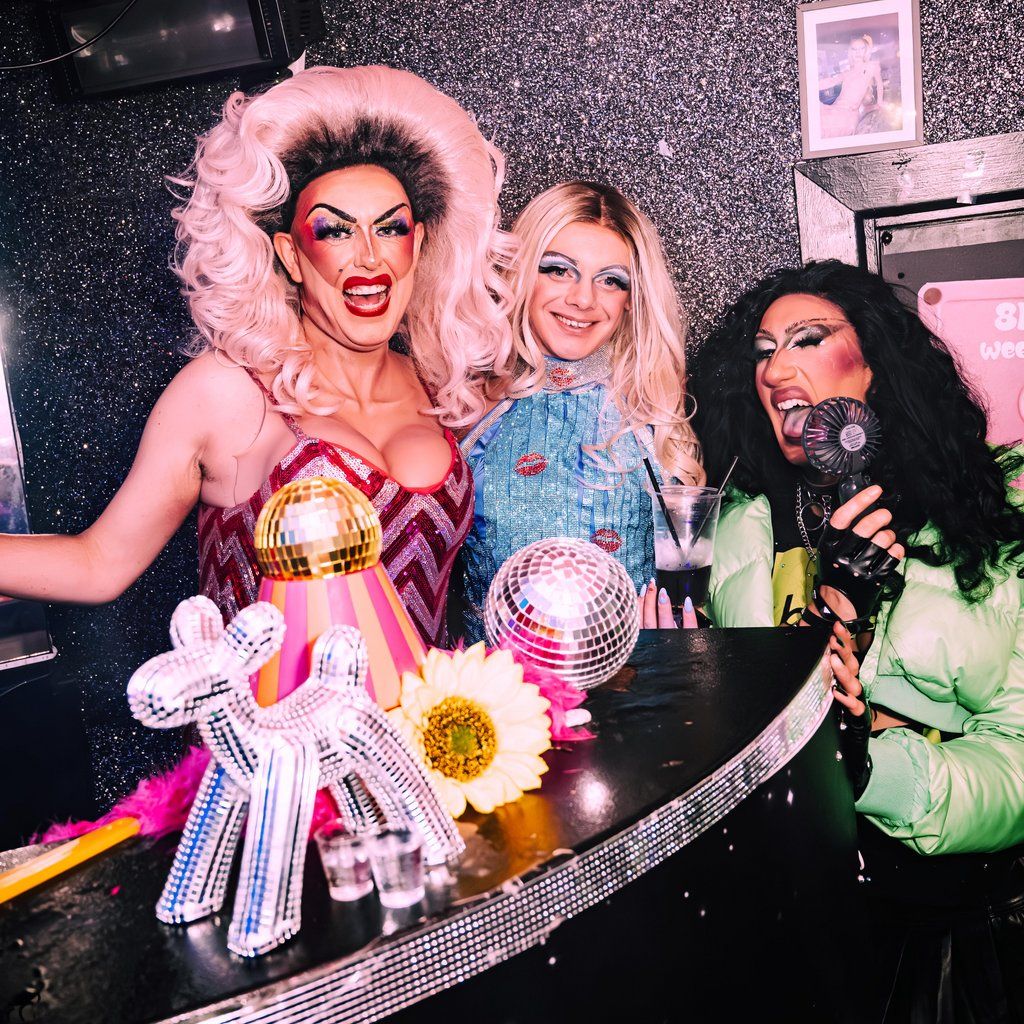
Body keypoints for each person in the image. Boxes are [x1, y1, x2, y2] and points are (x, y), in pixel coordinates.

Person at [0, 66, 515, 649]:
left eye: (389, 228)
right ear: (291, 256)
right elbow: (98, 563)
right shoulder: (227, 390)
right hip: (265, 710)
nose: (369, 257)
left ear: (417, 244)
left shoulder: (441, 384)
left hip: (432, 708)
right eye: (335, 231)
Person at [690, 259, 1024, 858]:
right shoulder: (736, 527)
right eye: (763, 352)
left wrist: (872, 772)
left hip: (931, 884)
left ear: (874, 364)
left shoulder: (995, 511)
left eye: (807, 340)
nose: (775, 369)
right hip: (784, 866)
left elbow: (1016, 754)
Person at [456, 181, 704, 643]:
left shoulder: (654, 415)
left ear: (631, 299)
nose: (583, 299)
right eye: (558, 270)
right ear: (522, 276)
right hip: (497, 683)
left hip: (637, 681)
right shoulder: (467, 405)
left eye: (610, 280)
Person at [818, 34, 884, 139]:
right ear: (850, 52)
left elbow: (880, 84)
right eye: (854, 49)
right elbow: (830, 82)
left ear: (866, 50)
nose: (858, 52)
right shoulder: (847, 72)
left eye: (862, 48)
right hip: (836, 108)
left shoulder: (872, 66)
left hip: (849, 113)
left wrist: (880, 102)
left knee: (822, 125)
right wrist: (811, 85)